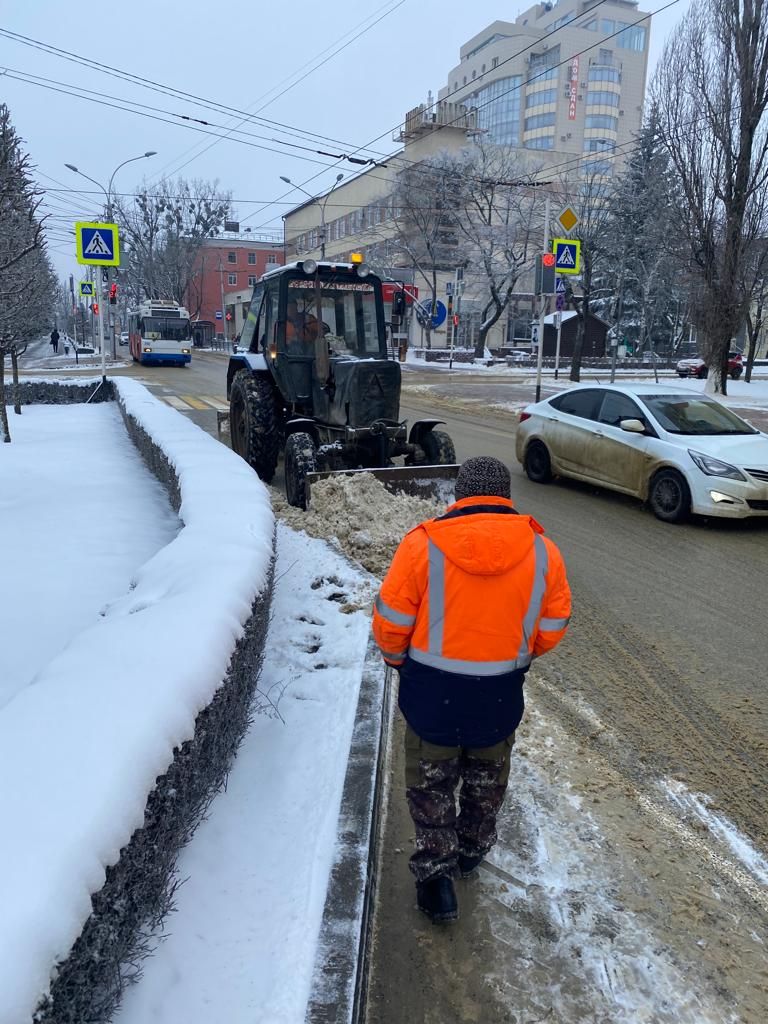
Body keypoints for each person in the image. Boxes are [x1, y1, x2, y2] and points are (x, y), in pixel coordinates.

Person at [372, 456, 571, 923]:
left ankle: (437, 882)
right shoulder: (543, 551)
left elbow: (390, 623)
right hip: (499, 693)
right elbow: (554, 623)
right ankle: (471, 851)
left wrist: (398, 661)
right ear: (505, 496)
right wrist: (519, 655)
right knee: (486, 780)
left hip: (431, 694)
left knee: (430, 784)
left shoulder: (422, 545)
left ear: (458, 495)